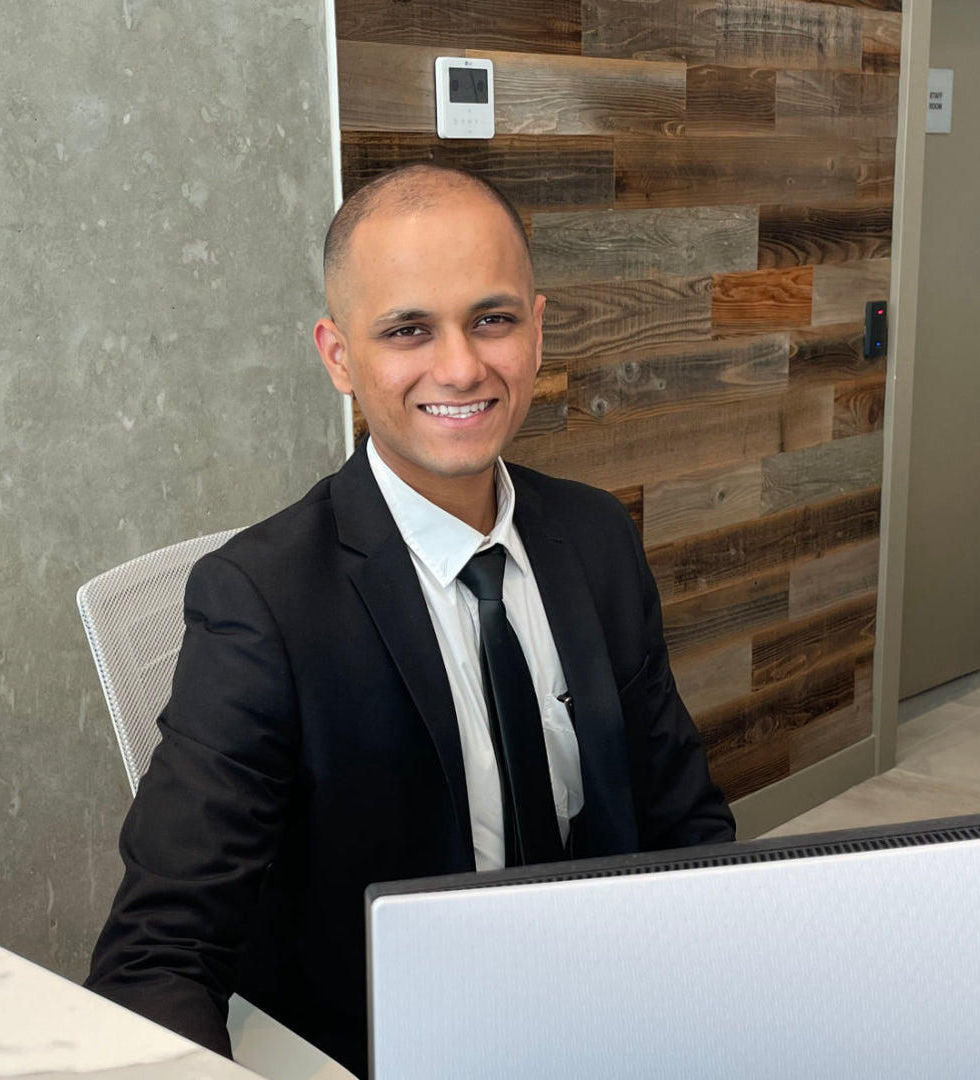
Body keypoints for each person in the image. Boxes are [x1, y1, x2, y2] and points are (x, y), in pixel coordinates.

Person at [86, 164, 735, 1078]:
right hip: (392, 1045)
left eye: (492, 319)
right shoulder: (259, 603)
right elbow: (157, 957)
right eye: (407, 330)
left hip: (601, 1000)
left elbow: (683, 818)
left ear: (538, 330)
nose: (462, 366)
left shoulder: (595, 537)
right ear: (339, 356)